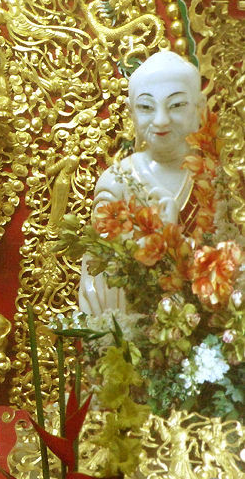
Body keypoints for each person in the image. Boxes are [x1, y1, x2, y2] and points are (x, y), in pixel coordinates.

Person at [78, 50, 204, 315]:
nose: (160, 120)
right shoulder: (116, 184)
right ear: (131, 113)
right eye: (146, 107)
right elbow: (100, 280)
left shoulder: (218, 180)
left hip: (210, 337)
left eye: (177, 105)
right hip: (134, 336)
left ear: (199, 109)